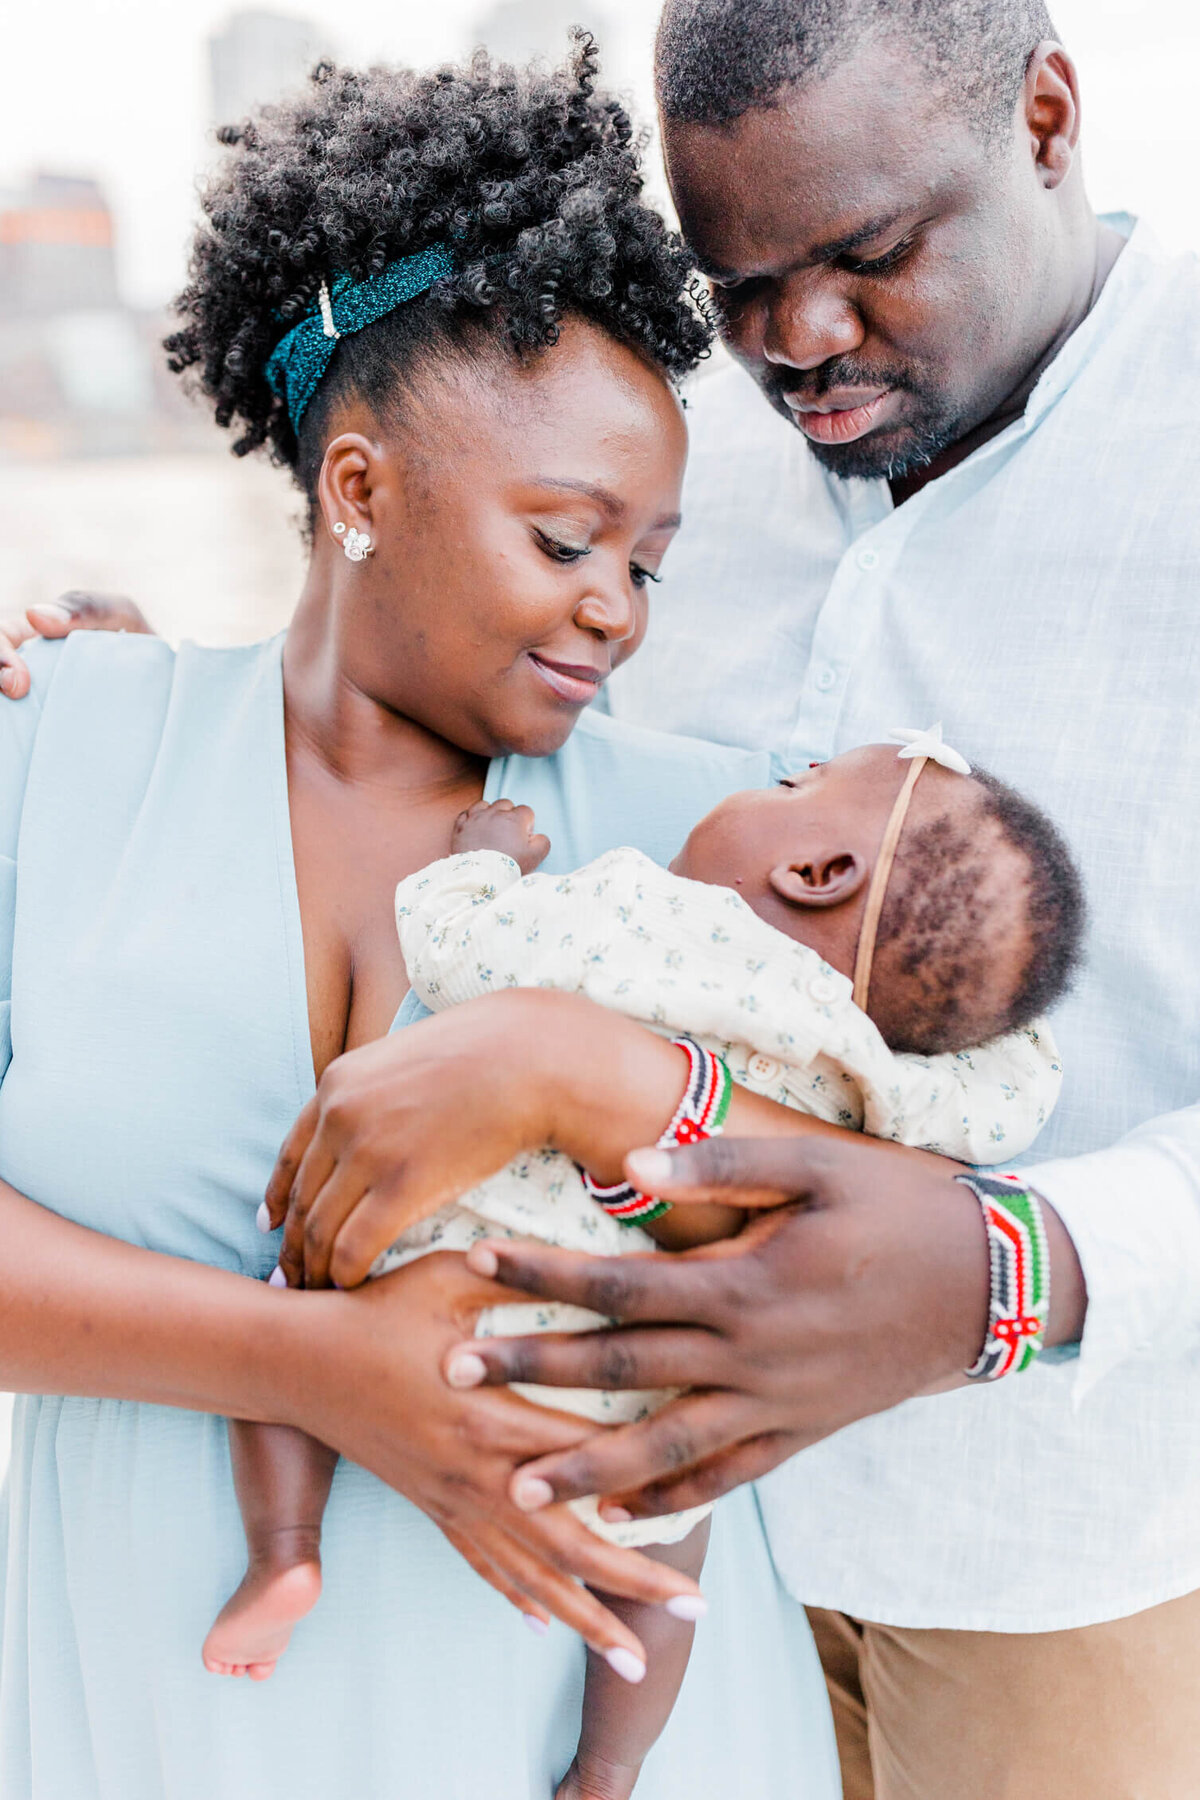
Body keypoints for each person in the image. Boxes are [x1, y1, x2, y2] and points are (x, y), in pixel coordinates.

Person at [0, 42, 846, 1800]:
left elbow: (861, 1217)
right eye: (564, 538)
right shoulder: (54, 740)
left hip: (588, 1739)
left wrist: (584, 1075)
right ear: (360, 491)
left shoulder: (709, 830)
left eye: (650, 560)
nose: (615, 609)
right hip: (152, 1717)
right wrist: (322, 1367)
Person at [411, 5, 1198, 1797]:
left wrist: (1013, 1269)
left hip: (1051, 1559)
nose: (801, 342)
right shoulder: (672, 450)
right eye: (740, 281)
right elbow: (482, 741)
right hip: (651, 1536)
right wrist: (155, 705)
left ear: (1053, 119)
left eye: (869, 257)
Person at [213, 744, 1079, 1795]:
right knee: (667, 1578)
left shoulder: (654, 918)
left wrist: (485, 863)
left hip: (459, 1287)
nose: (770, 784)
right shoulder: (892, 1071)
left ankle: (284, 1551)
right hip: (650, 1397)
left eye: (794, 787)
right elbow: (1010, 1104)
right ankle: (609, 1766)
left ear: (818, 874)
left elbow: (465, 956)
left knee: (291, 1303)